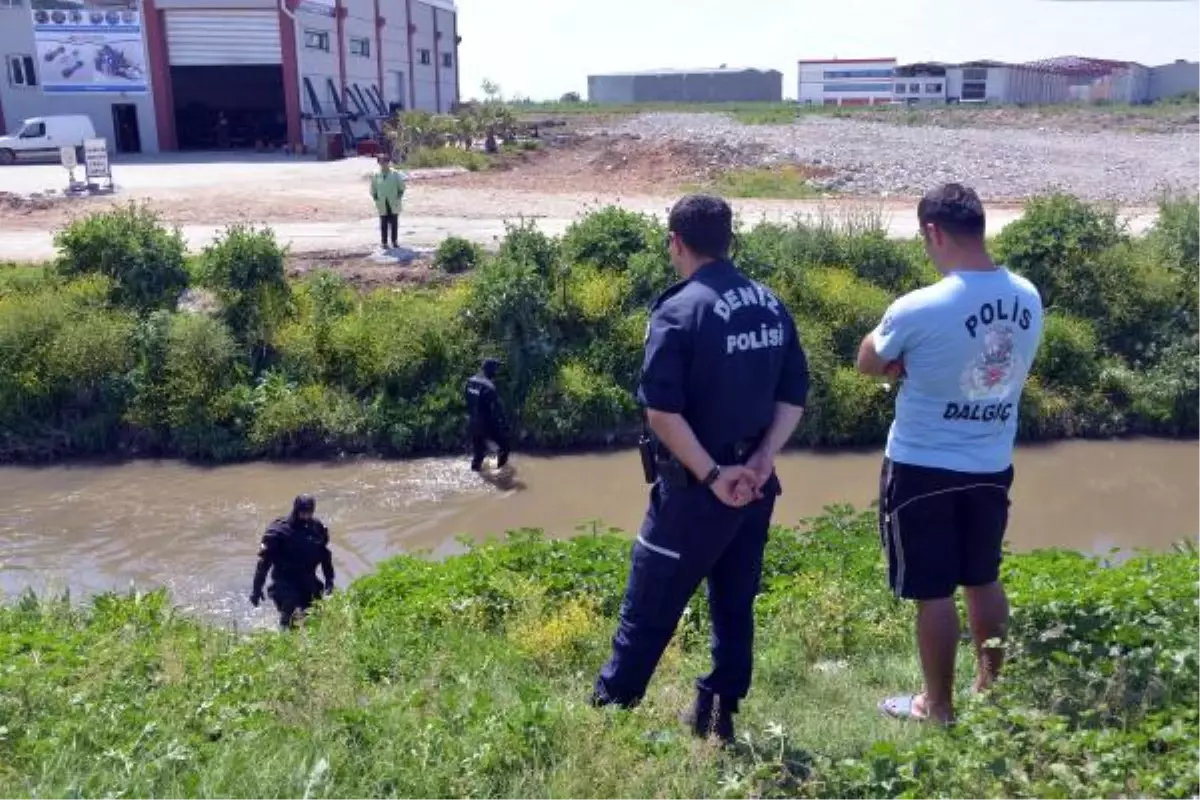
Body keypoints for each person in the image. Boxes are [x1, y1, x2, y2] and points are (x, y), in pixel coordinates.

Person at [591, 194, 810, 744]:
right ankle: (718, 714)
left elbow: (661, 412)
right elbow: (794, 397)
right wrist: (760, 461)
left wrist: (715, 476)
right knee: (734, 603)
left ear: (676, 243)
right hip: (755, 488)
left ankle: (609, 716)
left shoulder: (679, 308)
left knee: (648, 604)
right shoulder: (769, 303)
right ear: (728, 240)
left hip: (695, 493)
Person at [856, 183, 1044, 726]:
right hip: (991, 462)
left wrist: (900, 361)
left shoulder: (919, 305)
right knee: (983, 577)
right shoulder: (1028, 296)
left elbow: (869, 360)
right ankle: (990, 690)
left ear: (935, 232)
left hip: (922, 464)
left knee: (933, 591)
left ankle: (936, 708)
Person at [249, 494, 336, 629]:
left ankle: (311, 644)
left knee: (315, 616)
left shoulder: (316, 527)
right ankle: (284, 639)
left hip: (308, 578)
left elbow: (325, 554)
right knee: (290, 613)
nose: (306, 517)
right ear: (296, 510)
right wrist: (256, 589)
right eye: (303, 513)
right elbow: (264, 563)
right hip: (284, 580)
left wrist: (329, 579)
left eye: (309, 513)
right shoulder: (278, 531)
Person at [465, 358, 511, 472]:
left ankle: (474, 475)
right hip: (487, 423)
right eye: (496, 369)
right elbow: (498, 409)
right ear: (491, 370)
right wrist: (505, 425)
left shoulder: (470, 381)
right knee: (505, 448)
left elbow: (468, 400)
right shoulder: (489, 387)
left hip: (472, 422)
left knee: (478, 455)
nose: (497, 372)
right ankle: (499, 472)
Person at [370, 154, 405, 250]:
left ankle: (394, 241)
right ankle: (384, 242)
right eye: (381, 162)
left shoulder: (395, 174)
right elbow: (373, 188)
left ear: (388, 162)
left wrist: (398, 198)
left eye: (385, 162)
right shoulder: (376, 174)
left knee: (394, 222)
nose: (383, 164)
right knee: (383, 223)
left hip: (393, 202)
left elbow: (401, 188)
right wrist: (375, 198)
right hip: (382, 202)